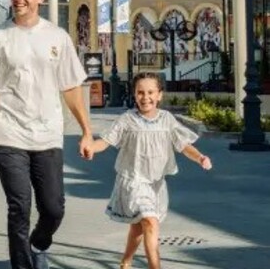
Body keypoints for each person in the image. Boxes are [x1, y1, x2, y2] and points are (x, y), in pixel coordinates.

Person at [0, 0, 93, 269]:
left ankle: (39, 242)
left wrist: (87, 131)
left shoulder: (57, 37)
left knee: (53, 208)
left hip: (47, 135)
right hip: (7, 134)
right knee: (19, 206)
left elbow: (70, 87)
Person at [89, 72, 212, 269]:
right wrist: (91, 148)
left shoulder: (167, 119)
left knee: (139, 228)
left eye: (150, 92)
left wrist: (200, 157)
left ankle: (126, 261)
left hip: (156, 184)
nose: (145, 97)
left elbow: (183, 145)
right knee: (150, 222)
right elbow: (106, 140)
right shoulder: (127, 119)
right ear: (134, 94)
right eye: (140, 92)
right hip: (133, 181)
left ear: (159, 95)